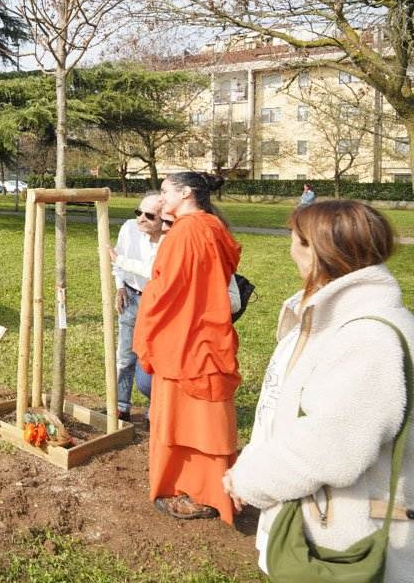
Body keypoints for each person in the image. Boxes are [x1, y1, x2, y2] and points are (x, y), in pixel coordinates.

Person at [224, 201, 413, 578]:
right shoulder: (339, 318)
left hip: (345, 543)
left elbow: (331, 444)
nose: (290, 247)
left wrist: (250, 478)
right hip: (325, 522)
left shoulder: (367, 337)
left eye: (296, 239)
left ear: (317, 250)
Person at [133, 171, 241, 523]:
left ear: (187, 193)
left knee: (192, 421)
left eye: (165, 192)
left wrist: (147, 327)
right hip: (203, 334)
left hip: (185, 340)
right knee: (197, 419)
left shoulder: (186, 232)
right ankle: (201, 486)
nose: (161, 199)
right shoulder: (210, 226)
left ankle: (201, 490)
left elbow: (164, 292)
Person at [111, 192, 166, 419]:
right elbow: (118, 259)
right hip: (132, 297)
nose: (141, 218)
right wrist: (120, 286)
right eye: (138, 212)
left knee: (156, 359)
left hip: (159, 303)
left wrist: (119, 261)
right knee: (124, 355)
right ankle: (121, 405)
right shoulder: (129, 228)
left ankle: (155, 411)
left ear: (164, 220)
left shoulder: (170, 238)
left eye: (149, 215)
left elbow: (154, 272)